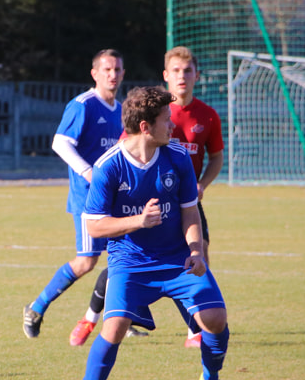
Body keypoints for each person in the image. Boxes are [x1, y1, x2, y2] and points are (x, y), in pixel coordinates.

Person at [72, 86, 232, 380]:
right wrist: (138, 221)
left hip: (177, 258)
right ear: (145, 127)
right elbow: (95, 227)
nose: (172, 126)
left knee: (215, 319)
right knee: (114, 327)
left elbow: (190, 212)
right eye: (165, 120)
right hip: (129, 262)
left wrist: (196, 251)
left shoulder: (177, 158)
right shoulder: (109, 167)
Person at [69, 46, 224, 348]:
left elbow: (216, 157)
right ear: (166, 76)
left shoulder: (207, 115)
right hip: (145, 200)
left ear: (197, 76)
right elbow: (126, 153)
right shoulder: (153, 110)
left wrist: (203, 183)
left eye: (188, 71)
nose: (182, 77)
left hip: (185, 200)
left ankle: (195, 330)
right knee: (123, 264)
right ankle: (91, 316)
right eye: (176, 71)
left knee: (197, 255)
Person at [23, 49, 147, 341]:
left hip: (117, 197)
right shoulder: (83, 105)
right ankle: (36, 308)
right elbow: (61, 144)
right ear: (95, 73)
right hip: (89, 200)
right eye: (106, 69)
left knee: (126, 257)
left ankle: (119, 318)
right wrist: (89, 173)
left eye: (117, 69)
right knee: (86, 262)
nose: (112, 75)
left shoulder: (121, 110)